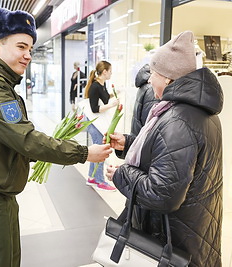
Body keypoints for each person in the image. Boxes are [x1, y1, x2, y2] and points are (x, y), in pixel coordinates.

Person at [0, 8, 112, 267]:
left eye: (31, 48)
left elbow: (9, 140)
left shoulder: (1, 84)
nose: (28, 55)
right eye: (21, 46)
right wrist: (83, 153)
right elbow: (26, 139)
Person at [106, 31, 223, 266]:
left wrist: (121, 173)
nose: (149, 80)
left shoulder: (178, 120)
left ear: (169, 79)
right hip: (195, 227)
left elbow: (162, 194)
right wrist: (129, 144)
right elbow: (173, 159)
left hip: (176, 236)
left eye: (154, 74)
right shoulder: (199, 112)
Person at [84, 60, 118, 191]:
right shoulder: (95, 86)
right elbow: (94, 109)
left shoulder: (101, 85)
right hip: (95, 125)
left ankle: (92, 177)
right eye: (110, 71)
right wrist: (112, 105)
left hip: (99, 123)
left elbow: (103, 98)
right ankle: (99, 180)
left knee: (98, 151)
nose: (111, 74)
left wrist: (113, 95)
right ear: (104, 72)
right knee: (100, 152)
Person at [130, 63, 159, 136]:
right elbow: (149, 123)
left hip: (137, 135)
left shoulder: (145, 85)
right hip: (142, 139)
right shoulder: (152, 89)